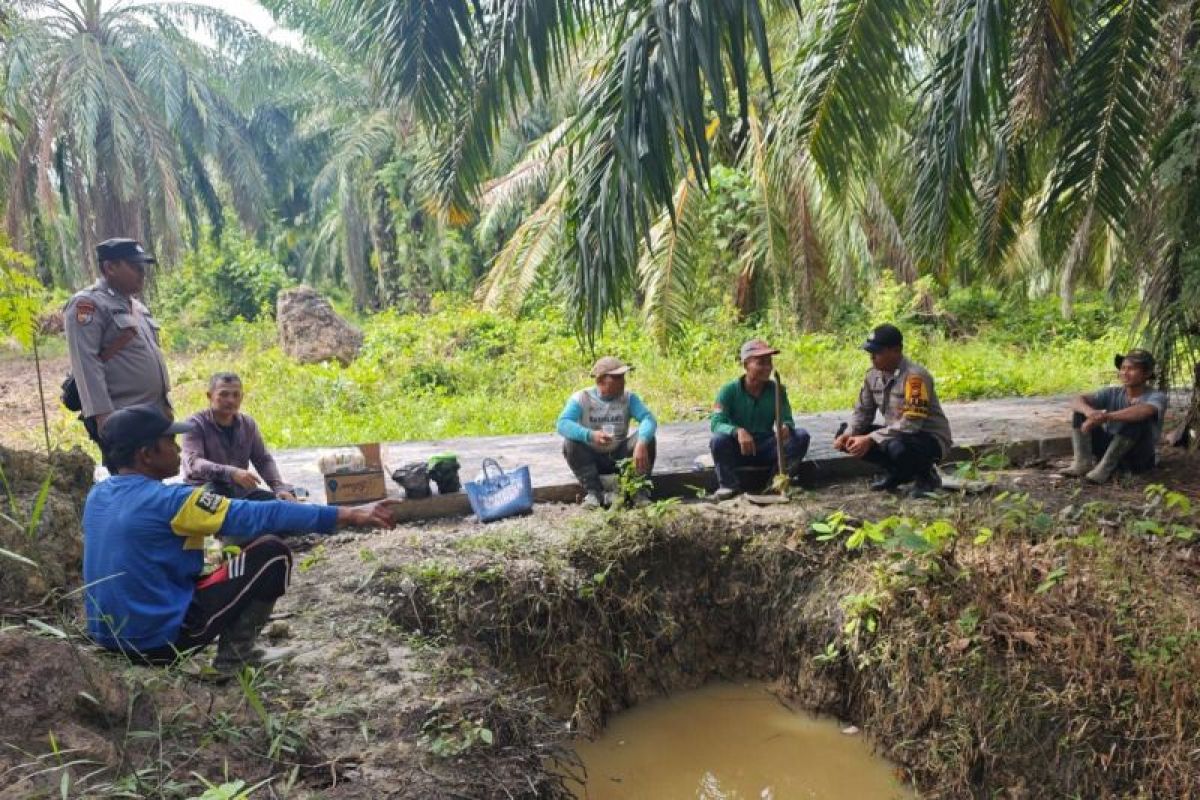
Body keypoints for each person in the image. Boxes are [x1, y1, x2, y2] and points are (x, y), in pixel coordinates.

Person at [83, 404, 398, 673]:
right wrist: (350, 515)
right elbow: (263, 515)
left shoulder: (98, 494)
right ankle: (237, 658)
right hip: (156, 644)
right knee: (271, 552)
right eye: (170, 442)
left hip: (108, 638)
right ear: (147, 454)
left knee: (225, 554)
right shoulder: (172, 502)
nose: (179, 450)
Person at [64, 238, 172, 448]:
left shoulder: (137, 307)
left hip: (154, 411)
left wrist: (165, 404)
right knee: (131, 477)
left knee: (156, 476)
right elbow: (86, 364)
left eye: (143, 266)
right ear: (110, 267)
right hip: (122, 417)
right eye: (134, 266)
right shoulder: (87, 304)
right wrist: (104, 418)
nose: (142, 272)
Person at [834, 324, 953, 497]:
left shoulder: (915, 378)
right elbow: (863, 412)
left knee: (897, 447)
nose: (872, 358)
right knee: (848, 437)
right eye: (870, 353)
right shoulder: (872, 376)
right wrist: (849, 433)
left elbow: (911, 425)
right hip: (897, 434)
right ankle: (896, 473)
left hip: (927, 438)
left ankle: (926, 476)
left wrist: (871, 438)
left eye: (878, 353)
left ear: (896, 351)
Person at [709, 339, 811, 501]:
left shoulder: (777, 389)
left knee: (801, 436)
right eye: (760, 363)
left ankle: (776, 483)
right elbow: (716, 423)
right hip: (739, 448)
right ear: (746, 365)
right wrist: (737, 431)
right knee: (718, 440)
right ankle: (728, 485)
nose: (767, 368)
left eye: (769, 362)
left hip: (766, 446)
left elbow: (787, 418)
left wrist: (785, 427)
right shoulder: (728, 391)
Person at [557, 356, 658, 509]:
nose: (623, 381)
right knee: (569, 443)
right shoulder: (582, 398)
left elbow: (648, 419)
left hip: (619, 455)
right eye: (617, 377)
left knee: (649, 439)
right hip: (591, 457)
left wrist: (642, 442)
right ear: (601, 380)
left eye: (623, 377)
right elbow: (563, 423)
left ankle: (639, 492)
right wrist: (590, 435)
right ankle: (594, 493)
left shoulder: (629, 398)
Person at [182, 372, 295, 502]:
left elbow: (263, 460)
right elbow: (194, 463)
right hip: (204, 493)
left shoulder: (248, 424)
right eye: (224, 394)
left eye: (236, 395)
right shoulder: (195, 424)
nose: (231, 400)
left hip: (239, 492)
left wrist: (279, 488)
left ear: (242, 397)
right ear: (210, 396)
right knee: (219, 504)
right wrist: (231, 473)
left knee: (283, 504)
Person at [1061, 349, 1167, 483]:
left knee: (1137, 420)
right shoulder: (1112, 392)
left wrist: (1106, 417)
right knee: (1080, 412)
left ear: (1147, 373)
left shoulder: (1157, 396)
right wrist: (1090, 413)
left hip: (1138, 456)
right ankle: (1082, 463)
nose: (1125, 372)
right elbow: (1077, 400)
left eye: (1132, 369)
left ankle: (1105, 470)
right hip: (1110, 449)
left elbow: (1144, 411)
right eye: (1123, 368)